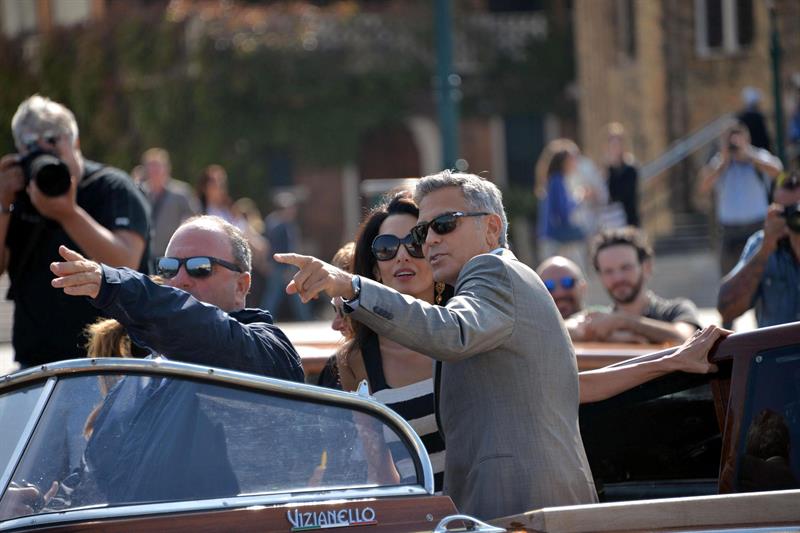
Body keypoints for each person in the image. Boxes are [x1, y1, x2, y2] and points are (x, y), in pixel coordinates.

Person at [276, 171, 597, 520]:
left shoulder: (494, 271)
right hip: (517, 507)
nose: (428, 240)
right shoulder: (487, 289)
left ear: (491, 228)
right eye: (422, 230)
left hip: (525, 505)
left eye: (444, 224)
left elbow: (451, 332)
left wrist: (350, 286)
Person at [50, 215, 303, 379]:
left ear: (241, 286)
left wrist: (115, 285)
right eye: (169, 267)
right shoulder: (147, 370)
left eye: (200, 267)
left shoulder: (269, 350)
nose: (180, 279)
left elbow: (202, 330)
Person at [0, 95, 151, 368]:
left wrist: (68, 213)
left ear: (75, 141)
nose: (45, 154)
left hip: (111, 361)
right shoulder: (17, 196)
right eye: (32, 148)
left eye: (53, 142)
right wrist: (2, 203)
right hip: (37, 365)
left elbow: (127, 261)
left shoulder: (113, 188)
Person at [334, 192, 449, 491]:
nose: (401, 256)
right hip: (421, 517)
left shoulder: (468, 328)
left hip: (485, 508)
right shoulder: (355, 360)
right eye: (386, 249)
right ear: (375, 270)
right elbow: (381, 475)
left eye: (414, 243)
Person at [573, 226, 701, 345]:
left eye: (626, 267)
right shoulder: (598, 320)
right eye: (608, 271)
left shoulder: (676, 310)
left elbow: (686, 338)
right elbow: (562, 331)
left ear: (646, 267)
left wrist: (623, 322)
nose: (618, 278)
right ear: (600, 276)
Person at [699, 122, 783, 279]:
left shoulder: (758, 156)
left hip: (757, 227)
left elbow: (777, 171)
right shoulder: (720, 162)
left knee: (762, 277)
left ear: (747, 140)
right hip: (729, 230)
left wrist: (748, 156)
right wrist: (724, 161)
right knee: (729, 279)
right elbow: (703, 186)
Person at [718, 171, 800, 328]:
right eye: (789, 212)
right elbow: (727, 310)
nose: (796, 219)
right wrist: (766, 249)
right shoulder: (761, 243)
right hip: (778, 351)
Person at [261, 191, 313, 321]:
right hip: (282, 266)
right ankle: (263, 318)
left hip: (284, 266)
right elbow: (278, 248)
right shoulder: (279, 226)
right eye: (290, 208)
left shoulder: (280, 223)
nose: (293, 211)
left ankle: (263, 318)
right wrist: (286, 267)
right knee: (276, 295)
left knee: (279, 294)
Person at [140, 148, 200, 259]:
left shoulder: (180, 192)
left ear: (167, 168)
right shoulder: (140, 192)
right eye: (151, 167)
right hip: (145, 255)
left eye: (157, 167)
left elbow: (195, 219)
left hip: (172, 255)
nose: (154, 171)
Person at [536, 139, 586, 267]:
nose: (575, 162)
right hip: (556, 241)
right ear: (564, 162)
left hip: (550, 238)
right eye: (572, 159)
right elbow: (563, 212)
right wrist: (579, 197)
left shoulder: (553, 180)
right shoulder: (557, 181)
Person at [605, 122, 640, 227]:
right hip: (611, 220)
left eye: (617, 144)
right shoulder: (607, 168)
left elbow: (625, 194)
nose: (614, 147)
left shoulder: (631, 168)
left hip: (629, 219)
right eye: (612, 144)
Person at [737, 86, 772, 152]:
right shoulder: (758, 117)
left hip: (747, 150)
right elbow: (764, 137)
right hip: (758, 150)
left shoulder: (741, 117)